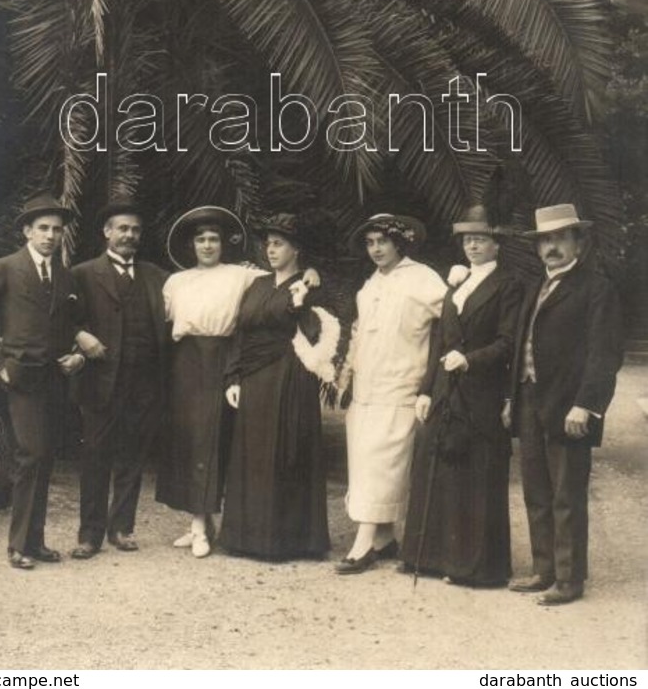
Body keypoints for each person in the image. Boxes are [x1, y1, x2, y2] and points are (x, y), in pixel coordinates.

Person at [0, 193, 90, 569]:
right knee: (30, 454)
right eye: (43, 229)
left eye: (57, 230)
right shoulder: (5, 268)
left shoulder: (65, 275)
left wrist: (76, 354)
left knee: (45, 457)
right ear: (27, 231)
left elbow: (71, 326)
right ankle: (17, 545)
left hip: (54, 379)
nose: (51, 236)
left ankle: (35, 542)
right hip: (20, 379)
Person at [506, 204, 622, 605]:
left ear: (578, 242)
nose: (551, 247)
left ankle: (570, 580)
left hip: (568, 405)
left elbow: (604, 354)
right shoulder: (534, 286)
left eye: (559, 238)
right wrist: (512, 397)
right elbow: (522, 345)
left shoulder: (595, 287)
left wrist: (586, 405)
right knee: (535, 490)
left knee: (566, 493)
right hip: (529, 399)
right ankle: (544, 570)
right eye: (544, 240)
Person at [399, 204, 521, 586]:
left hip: (482, 392)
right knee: (438, 466)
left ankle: (475, 567)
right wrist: (424, 389)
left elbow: (508, 342)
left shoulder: (508, 285)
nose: (473, 245)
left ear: (496, 244)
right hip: (444, 391)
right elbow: (440, 340)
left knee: (476, 475)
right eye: (468, 239)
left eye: (481, 239)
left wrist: (469, 360)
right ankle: (435, 558)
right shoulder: (457, 284)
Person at [220, 214, 339, 561]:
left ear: (296, 249)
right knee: (252, 452)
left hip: (289, 374)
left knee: (285, 451)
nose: (270, 250)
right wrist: (233, 376)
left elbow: (319, 334)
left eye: (279, 243)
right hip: (254, 377)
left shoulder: (312, 284)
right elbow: (241, 332)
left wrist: (302, 302)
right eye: (268, 243)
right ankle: (246, 538)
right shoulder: (258, 285)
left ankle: (287, 541)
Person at [336, 213, 447, 575]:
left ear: (399, 242)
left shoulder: (423, 278)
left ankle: (363, 542)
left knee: (381, 461)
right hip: (367, 386)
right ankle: (384, 538)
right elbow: (358, 333)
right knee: (365, 460)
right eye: (369, 243)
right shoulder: (370, 284)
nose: (376, 249)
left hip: (401, 384)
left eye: (382, 241)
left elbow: (452, 323)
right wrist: (346, 376)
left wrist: (431, 381)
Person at [70, 199, 169, 558]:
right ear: (107, 232)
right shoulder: (82, 274)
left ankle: (122, 528)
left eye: (135, 229)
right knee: (96, 456)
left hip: (144, 385)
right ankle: (90, 535)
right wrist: (80, 335)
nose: (129, 235)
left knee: (133, 456)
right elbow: (64, 319)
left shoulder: (157, 277)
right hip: (100, 384)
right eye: (122, 228)